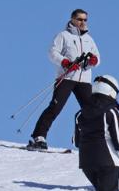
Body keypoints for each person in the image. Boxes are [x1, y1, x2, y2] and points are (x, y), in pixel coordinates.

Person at [28, 9, 100, 150]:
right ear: (72, 19)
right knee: (55, 107)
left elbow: (97, 58)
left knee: (91, 111)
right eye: (80, 19)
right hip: (67, 77)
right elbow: (52, 52)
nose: (82, 22)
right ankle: (39, 136)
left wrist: (93, 60)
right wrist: (65, 62)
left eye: (85, 20)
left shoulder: (89, 39)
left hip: (84, 80)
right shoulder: (64, 36)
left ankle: (95, 141)